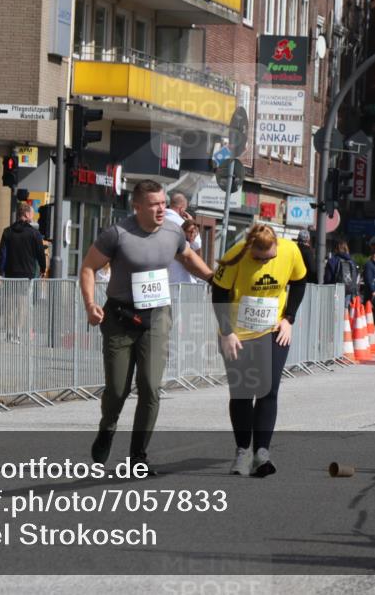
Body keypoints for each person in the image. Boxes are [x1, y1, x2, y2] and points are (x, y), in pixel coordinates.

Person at [80, 180, 214, 473]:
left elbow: (188, 256)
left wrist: (213, 279)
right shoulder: (117, 234)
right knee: (117, 389)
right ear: (137, 206)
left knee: (150, 387)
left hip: (156, 318)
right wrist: (91, 304)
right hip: (120, 318)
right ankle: (108, 426)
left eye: (164, 203)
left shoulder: (172, 232)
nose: (161, 209)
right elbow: (88, 267)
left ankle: (138, 456)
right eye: (154, 204)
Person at [212, 223, 307, 477]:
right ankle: (243, 451)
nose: (265, 262)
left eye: (270, 258)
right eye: (258, 258)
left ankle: (262, 453)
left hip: (272, 331)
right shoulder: (236, 255)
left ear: (276, 245)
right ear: (250, 249)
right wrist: (226, 332)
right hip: (238, 334)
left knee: (268, 388)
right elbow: (218, 292)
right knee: (242, 392)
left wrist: (289, 318)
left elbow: (299, 282)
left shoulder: (289, 250)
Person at [0, 202, 47, 279]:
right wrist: (43, 269)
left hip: (10, 273)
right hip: (28, 273)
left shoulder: (7, 231)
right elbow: (40, 253)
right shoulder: (35, 233)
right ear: (26, 214)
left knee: (10, 291)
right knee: (26, 291)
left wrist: (0, 272)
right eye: (32, 214)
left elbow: (2, 253)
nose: (33, 216)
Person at [165, 191, 201, 283]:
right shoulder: (182, 223)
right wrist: (191, 221)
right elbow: (197, 245)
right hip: (181, 276)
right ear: (182, 209)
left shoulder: (159, 220)